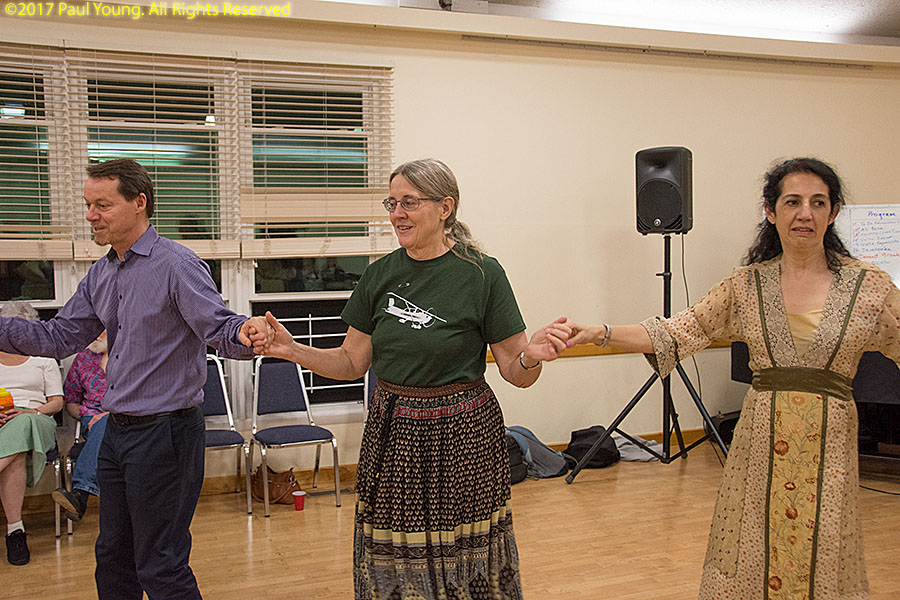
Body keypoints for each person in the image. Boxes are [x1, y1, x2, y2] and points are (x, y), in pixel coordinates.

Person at [565, 157, 894, 599]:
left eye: (818, 203)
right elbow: (675, 332)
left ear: (833, 212)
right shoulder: (745, 286)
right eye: (793, 202)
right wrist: (598, 333)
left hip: (829, 442)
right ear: (770, 211)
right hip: (761, 442)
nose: (805, 214)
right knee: (752, 542)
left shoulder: (868, 286)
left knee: (826, 544)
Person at [250, 158, 571, 600]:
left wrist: (531, 357)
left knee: (465, 554)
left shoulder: (482, 274)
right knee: (394, 555)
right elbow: (351, 362)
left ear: (445, 208)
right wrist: (293, 351)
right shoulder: (379, 275)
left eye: (409, 203)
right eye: (392, 203)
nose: (397, 213)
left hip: (464, 436)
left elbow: (516, 373)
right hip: (394, 434)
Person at [0, 159, 267, 598]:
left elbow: (220, 327)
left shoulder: (177, 264)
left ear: (139, 202)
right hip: (115, 431)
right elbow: (58, 336)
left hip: (166, 435)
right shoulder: (101, 273)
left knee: (160, 564)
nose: (91, 215)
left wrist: (246, 333)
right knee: (113, 558)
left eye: (102, 205)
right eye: (88, 204)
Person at [0, 301, 63, 566]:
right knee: (15, 456)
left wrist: (31, 412)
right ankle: (15, 531)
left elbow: (56, 403)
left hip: (38, 420)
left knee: (24, 422)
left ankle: (15, 532)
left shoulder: (43, 358)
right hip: (2, 423)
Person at [51, 331, 110, 522]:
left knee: (107, 422)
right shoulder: (83, 359)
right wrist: (86, 415)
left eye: (100, 329)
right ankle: (81, 493)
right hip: (92, 422)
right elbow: (71, 402)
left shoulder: (132, 356)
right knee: (103, 425)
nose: (95, 334)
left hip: (127, 418)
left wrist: (110, 415)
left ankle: (79, 495)